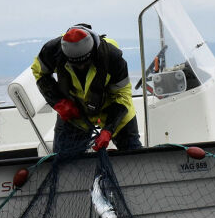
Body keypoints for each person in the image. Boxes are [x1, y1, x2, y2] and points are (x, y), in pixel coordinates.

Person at [31, 24, 142, 153]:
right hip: (75, 112)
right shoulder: (52, 51)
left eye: (85, 63)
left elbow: (122, 95)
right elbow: (39, 73)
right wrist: (58, 102)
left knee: (133, 153)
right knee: (64, 162)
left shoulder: (113, 57)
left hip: (112, 108)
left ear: (93, 52)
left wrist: (108, 129)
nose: (81, 67)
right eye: (76, 64)